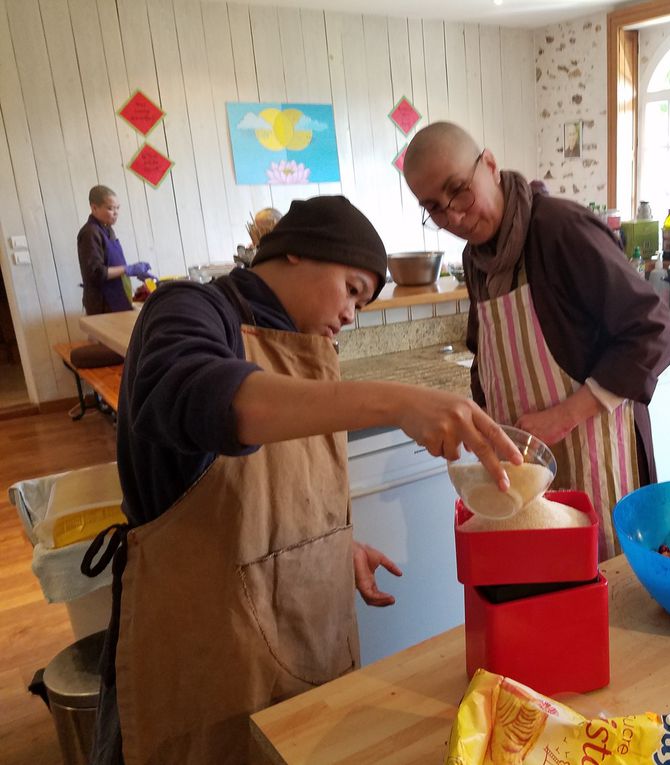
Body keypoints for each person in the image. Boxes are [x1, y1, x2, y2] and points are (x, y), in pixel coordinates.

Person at [82, 195, 521, 764]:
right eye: (352, 290)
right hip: (202, 652)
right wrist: (393, 401)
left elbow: (264, 499)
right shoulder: (189, 309)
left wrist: (327, 546)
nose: (351, 315)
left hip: (304, 636)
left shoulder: (304, 349)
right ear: (294, 254)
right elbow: (197, 394)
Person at [403, 122, 670, 561]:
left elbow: (655, 331)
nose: (453, 216)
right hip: (527, 468)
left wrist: (565, 415)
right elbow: (489, 357)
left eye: (459, 191)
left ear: (489, 165)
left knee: (602, 590)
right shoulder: (477, 259)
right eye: (434, 207)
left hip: (596, 459)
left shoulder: (560, 229)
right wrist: (481, 429)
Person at [77, 185, 153, 316]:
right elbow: (96, 273)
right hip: (103, 304)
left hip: (117, 298)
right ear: (94, 208)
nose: (116, 212)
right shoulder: (90, 233)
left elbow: (113, 264)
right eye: (110, 208)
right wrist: (127, 269)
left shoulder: (107, 229)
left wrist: (132, 273)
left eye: (118, 208)